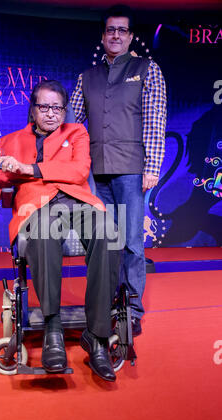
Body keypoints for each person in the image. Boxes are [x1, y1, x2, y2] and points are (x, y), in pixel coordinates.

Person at [0, 80, 121, 382]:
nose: (50, 113)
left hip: (78, 203)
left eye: (57, 108)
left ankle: (97, 336)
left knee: (108, 231)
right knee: (43, 230)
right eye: (43, 107)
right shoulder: (10, 141)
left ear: (65, 111)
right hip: (36, 208)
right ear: (32, 109)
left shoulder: (77, 133)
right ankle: (53, 329)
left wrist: (28, 169)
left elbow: (78, 172)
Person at [70, 4, 167, 336]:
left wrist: (152, 167)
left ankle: (133, 309)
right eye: (110, 30)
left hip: (131, 169)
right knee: (104, 241)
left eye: (121, 30)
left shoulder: (147, 69)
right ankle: (110, 302)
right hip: (96, 171)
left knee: (132, 243)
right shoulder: (88, 76)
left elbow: (155, 122)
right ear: (103, 35)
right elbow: (71, 123)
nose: (115, 35)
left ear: (130, 36)